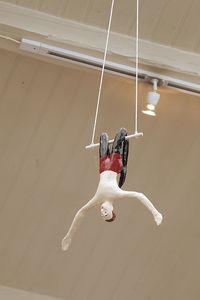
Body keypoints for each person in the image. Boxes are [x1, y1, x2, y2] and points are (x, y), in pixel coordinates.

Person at [62, 128, 163, 251]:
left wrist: (69, 235)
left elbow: (81, 212)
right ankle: (121, 136)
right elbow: (139, 195)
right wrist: (155, 213)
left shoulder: (97, 199)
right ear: (112, 209)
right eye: (106, 213)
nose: (102, 212)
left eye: (102, 214)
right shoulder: (117, 194)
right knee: (121, 132)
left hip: (103, 164)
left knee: (103, 136)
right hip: (115, 162)